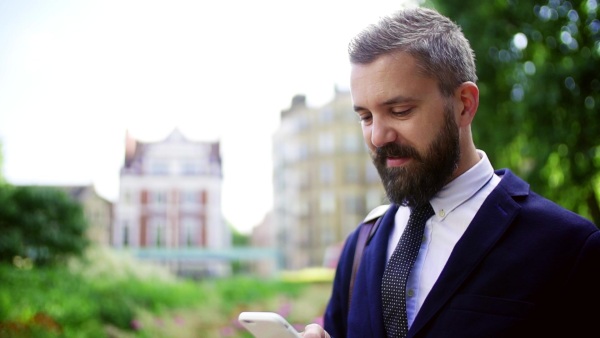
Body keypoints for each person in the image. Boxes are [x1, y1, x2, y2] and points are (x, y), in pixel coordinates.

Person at [302, 6, 600, 338]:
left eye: (399, 111)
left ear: (464, 104)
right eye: (366, 117)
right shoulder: (360, 247)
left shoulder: (569, 248)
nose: (377, 136)